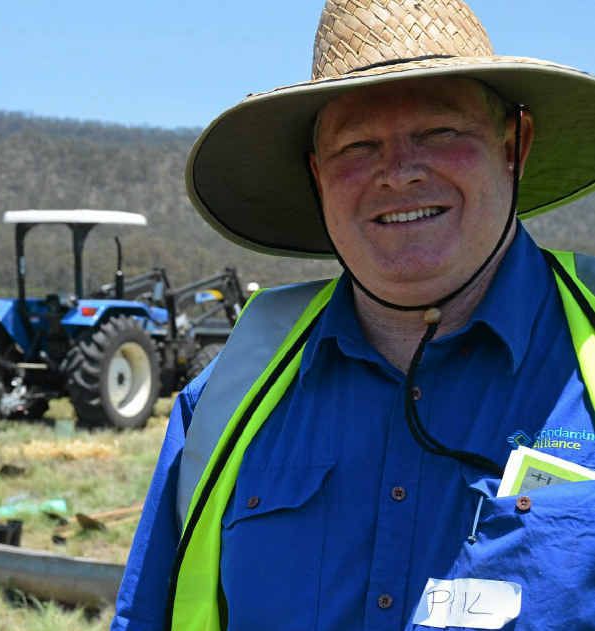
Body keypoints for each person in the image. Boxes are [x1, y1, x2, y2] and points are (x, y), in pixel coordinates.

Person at [114, 1, 595, 630]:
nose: (398, 173)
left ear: (514, 146)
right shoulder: (226, 397)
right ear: (318, 177)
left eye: (440, 132)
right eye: (358, 146)